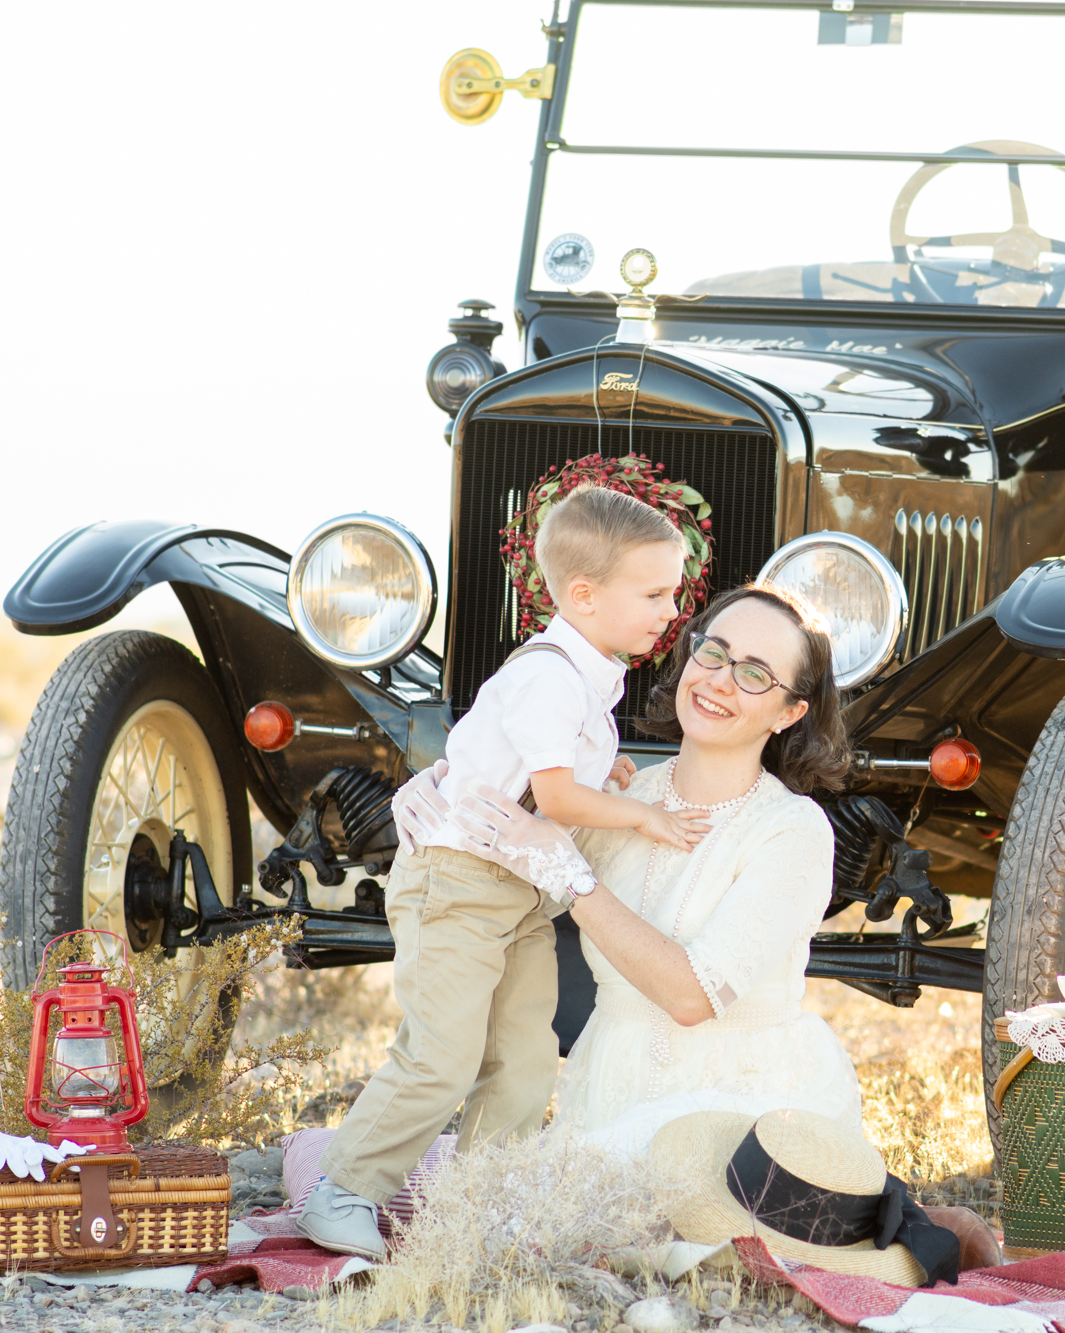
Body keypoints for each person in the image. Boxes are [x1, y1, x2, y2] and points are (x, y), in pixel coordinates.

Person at [402, 584, 1002, 1270]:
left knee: (575, 1234)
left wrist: (569, 870)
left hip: (739, 1100)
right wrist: (438, 798)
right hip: (610, 1082)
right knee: (501, 1221)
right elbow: (501, 845)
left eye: (754, 673)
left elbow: (691, 996)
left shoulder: (792, 830)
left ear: (789, 711)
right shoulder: (619, 797)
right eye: (711, 652)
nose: (719, 680)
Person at [300, 485, 706, 1261]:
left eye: (673, 589)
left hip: (515, 886)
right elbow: (552, 796)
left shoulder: (591, 672)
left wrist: (607, 768)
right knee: (442, 1052)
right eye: (654, 592)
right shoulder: (551, 675)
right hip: (456, 881)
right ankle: (344, 1189)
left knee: (522, 1055)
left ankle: (480, 1203)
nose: (671, 607)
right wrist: (643, 813)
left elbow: (549, 766)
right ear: (583, 594)